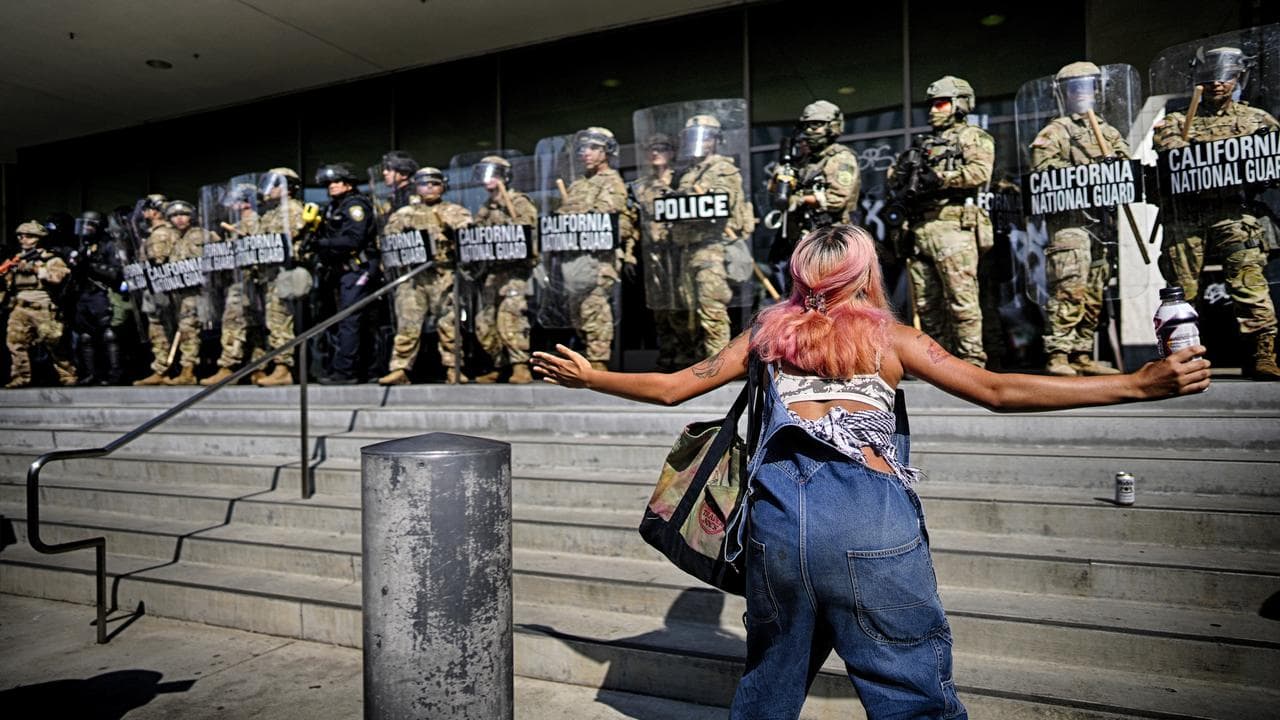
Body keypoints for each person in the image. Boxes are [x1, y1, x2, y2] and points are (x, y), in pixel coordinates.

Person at [531, 224, 1210, 720]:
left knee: (767, 693)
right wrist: (1138, 384)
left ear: (800, 276)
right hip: (871, 528)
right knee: (913, 699)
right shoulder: (892, 339)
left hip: (776, 531)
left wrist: (592, 376)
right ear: (862, 276)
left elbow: (677, 387)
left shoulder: (767, 337)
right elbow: (999, 390)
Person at [1153, 46, 1280, 380]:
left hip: (1235, 213)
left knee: (1249, 281)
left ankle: (1263, 353)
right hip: (1187, 215)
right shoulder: (1177, 121)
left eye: (1225, 77)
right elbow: (1167, 150)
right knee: (1182, 289)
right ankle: (1182, 357)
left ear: (1238, 77)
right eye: (1209, 78)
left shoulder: (1257, 120)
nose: (1217, 84)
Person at [1031, 62, 1129, 377]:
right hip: (1070, 223)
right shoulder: (1056, 131)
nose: (1081, 93)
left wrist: (1114, 166)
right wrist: (1088, 172)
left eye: (1086, 87)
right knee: (1069, 287)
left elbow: (1127, 169)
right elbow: (1043, 170)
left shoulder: (1109, 132)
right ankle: (1058, 352)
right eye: (1074, 88)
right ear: (1065, 94)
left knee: (1095, 289)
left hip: (1102, 224)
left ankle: (1082, 352)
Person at [892, 77, 994, 367]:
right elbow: (896, 179)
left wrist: (941, 178)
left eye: (940, 103)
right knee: (926, 304)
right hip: (921, 228)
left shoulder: (972, 136)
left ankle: (972, 361)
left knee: (961, 298)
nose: (933, 110)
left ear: (959, 104)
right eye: (932, 104)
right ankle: (939, 362)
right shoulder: (922, 144)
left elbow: (980, 172)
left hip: (954, 227)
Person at [668, 114, 756, 360]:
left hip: (713, 248)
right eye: (694, 137)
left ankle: (718, 366)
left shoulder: (723, 169)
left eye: (705, 136)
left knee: (712, 308)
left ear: (715, 139)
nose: (699, 142)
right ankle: (698, 363)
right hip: (688, 248)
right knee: (690, 310)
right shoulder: (688, 173)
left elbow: (721, 204)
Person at [378, 166, 473, 385]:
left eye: (435, 183)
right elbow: (388, 245)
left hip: (445, 273)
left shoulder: (456, 212)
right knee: (407, 323)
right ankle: (400, 368)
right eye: (424, 183)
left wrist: (453, 232)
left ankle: (454, 368)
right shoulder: (403, 214)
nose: (429, 187)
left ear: (443, 186)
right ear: (416, 187)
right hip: (414, 276)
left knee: (450, 324)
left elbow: (470, 240)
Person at [556, 126, 638, 371]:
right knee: (578, 312)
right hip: (577, 259)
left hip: (600, 259)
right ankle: (588, 356)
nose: (586, 153)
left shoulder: (611, 181)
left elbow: (608, 219)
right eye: (582, 148)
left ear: (607, 151)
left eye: (593, 148)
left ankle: (599, 361)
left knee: (595, 308)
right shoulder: (578, 185)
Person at [470, 155, 539, 384]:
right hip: (493, 273)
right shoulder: (484, 208)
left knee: (511, 318)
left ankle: (521, 367)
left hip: (515, 272)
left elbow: (527, 231)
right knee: (485, 322)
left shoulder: (518, 201)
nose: (488, 179)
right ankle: (500, 365)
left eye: (494, 173)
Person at [313, 163, 378, 384]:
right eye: (329, 183)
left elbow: (354, 239)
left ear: (348, 184)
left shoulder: (355, 206)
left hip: (358, 268)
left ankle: (345, 373)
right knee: (347, 320)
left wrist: (322, 243)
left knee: (350, 319)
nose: (331, 186)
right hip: (341, 272)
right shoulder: (334, 207)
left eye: (336, 182)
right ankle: (364, 368)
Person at [199, 182, 261, 386]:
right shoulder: (238, 224)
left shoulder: (253, 222)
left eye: (236, 200)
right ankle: (255, 367)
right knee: (249, 324)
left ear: (245, 202)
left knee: (233, 321)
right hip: (240, 280)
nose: (231, 205)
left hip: (248, 281)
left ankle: (229, 367)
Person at [5, 220, 77, 388]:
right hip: (20, 306)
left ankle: (67, 374)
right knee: (15, 343)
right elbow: (9, 284)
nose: (24, 239)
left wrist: (35, 269)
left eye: (29, 236)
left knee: (54, 343)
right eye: (20, 236)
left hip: (43, 306)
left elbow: (58, 277)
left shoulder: (50, 258)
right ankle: (20, 377)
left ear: (38, 238)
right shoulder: (16, 259)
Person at [252, 167, 307, 386]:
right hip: (269, 274)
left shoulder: (291, 209)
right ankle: (276, 365)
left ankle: (284, 368)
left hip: (285, 272)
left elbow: (288, 240)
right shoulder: (270, 212)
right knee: (273, 320)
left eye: (275, 184)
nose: (269, 189)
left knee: (280, 319)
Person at [632, 134, 681, 369]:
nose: (655, 153)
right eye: (651, 148)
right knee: (659, 308)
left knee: (682, 305)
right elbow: (633, 221)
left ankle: (686, 354)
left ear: (672, 152)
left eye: (662, 148)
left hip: (679, 252)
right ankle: (666, 354)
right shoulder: (641, 186)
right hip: (653, 255)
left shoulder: (681, 180)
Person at [68, 210, 125, 385]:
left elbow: (116, 273)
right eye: (83, 224)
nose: (86, 228)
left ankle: (115, 374)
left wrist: (90, 265)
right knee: (85, 336)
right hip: (84, 295)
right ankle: (92, 373)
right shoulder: (82, 246)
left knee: (109, 334)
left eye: (90, 225)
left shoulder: (109, 245)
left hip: (102, 294)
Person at [133, 194, 182, 386]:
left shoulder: (160, 233)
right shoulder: (163, 231)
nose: (144, 213)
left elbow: (158, 262)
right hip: (158, 287)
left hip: (160, 288)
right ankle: (165, 367)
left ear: (154, 211)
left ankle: (163, 368)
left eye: (146, 209)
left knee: (159, 327)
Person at [159, 200, 210, 385]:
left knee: (188, 329)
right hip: (180, 291)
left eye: (184, 214)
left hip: (198, 291)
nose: (179, 219)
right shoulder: (175, 238)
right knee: (184, 328)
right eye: (174, 216)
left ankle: (188, 371)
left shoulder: (200, 235)